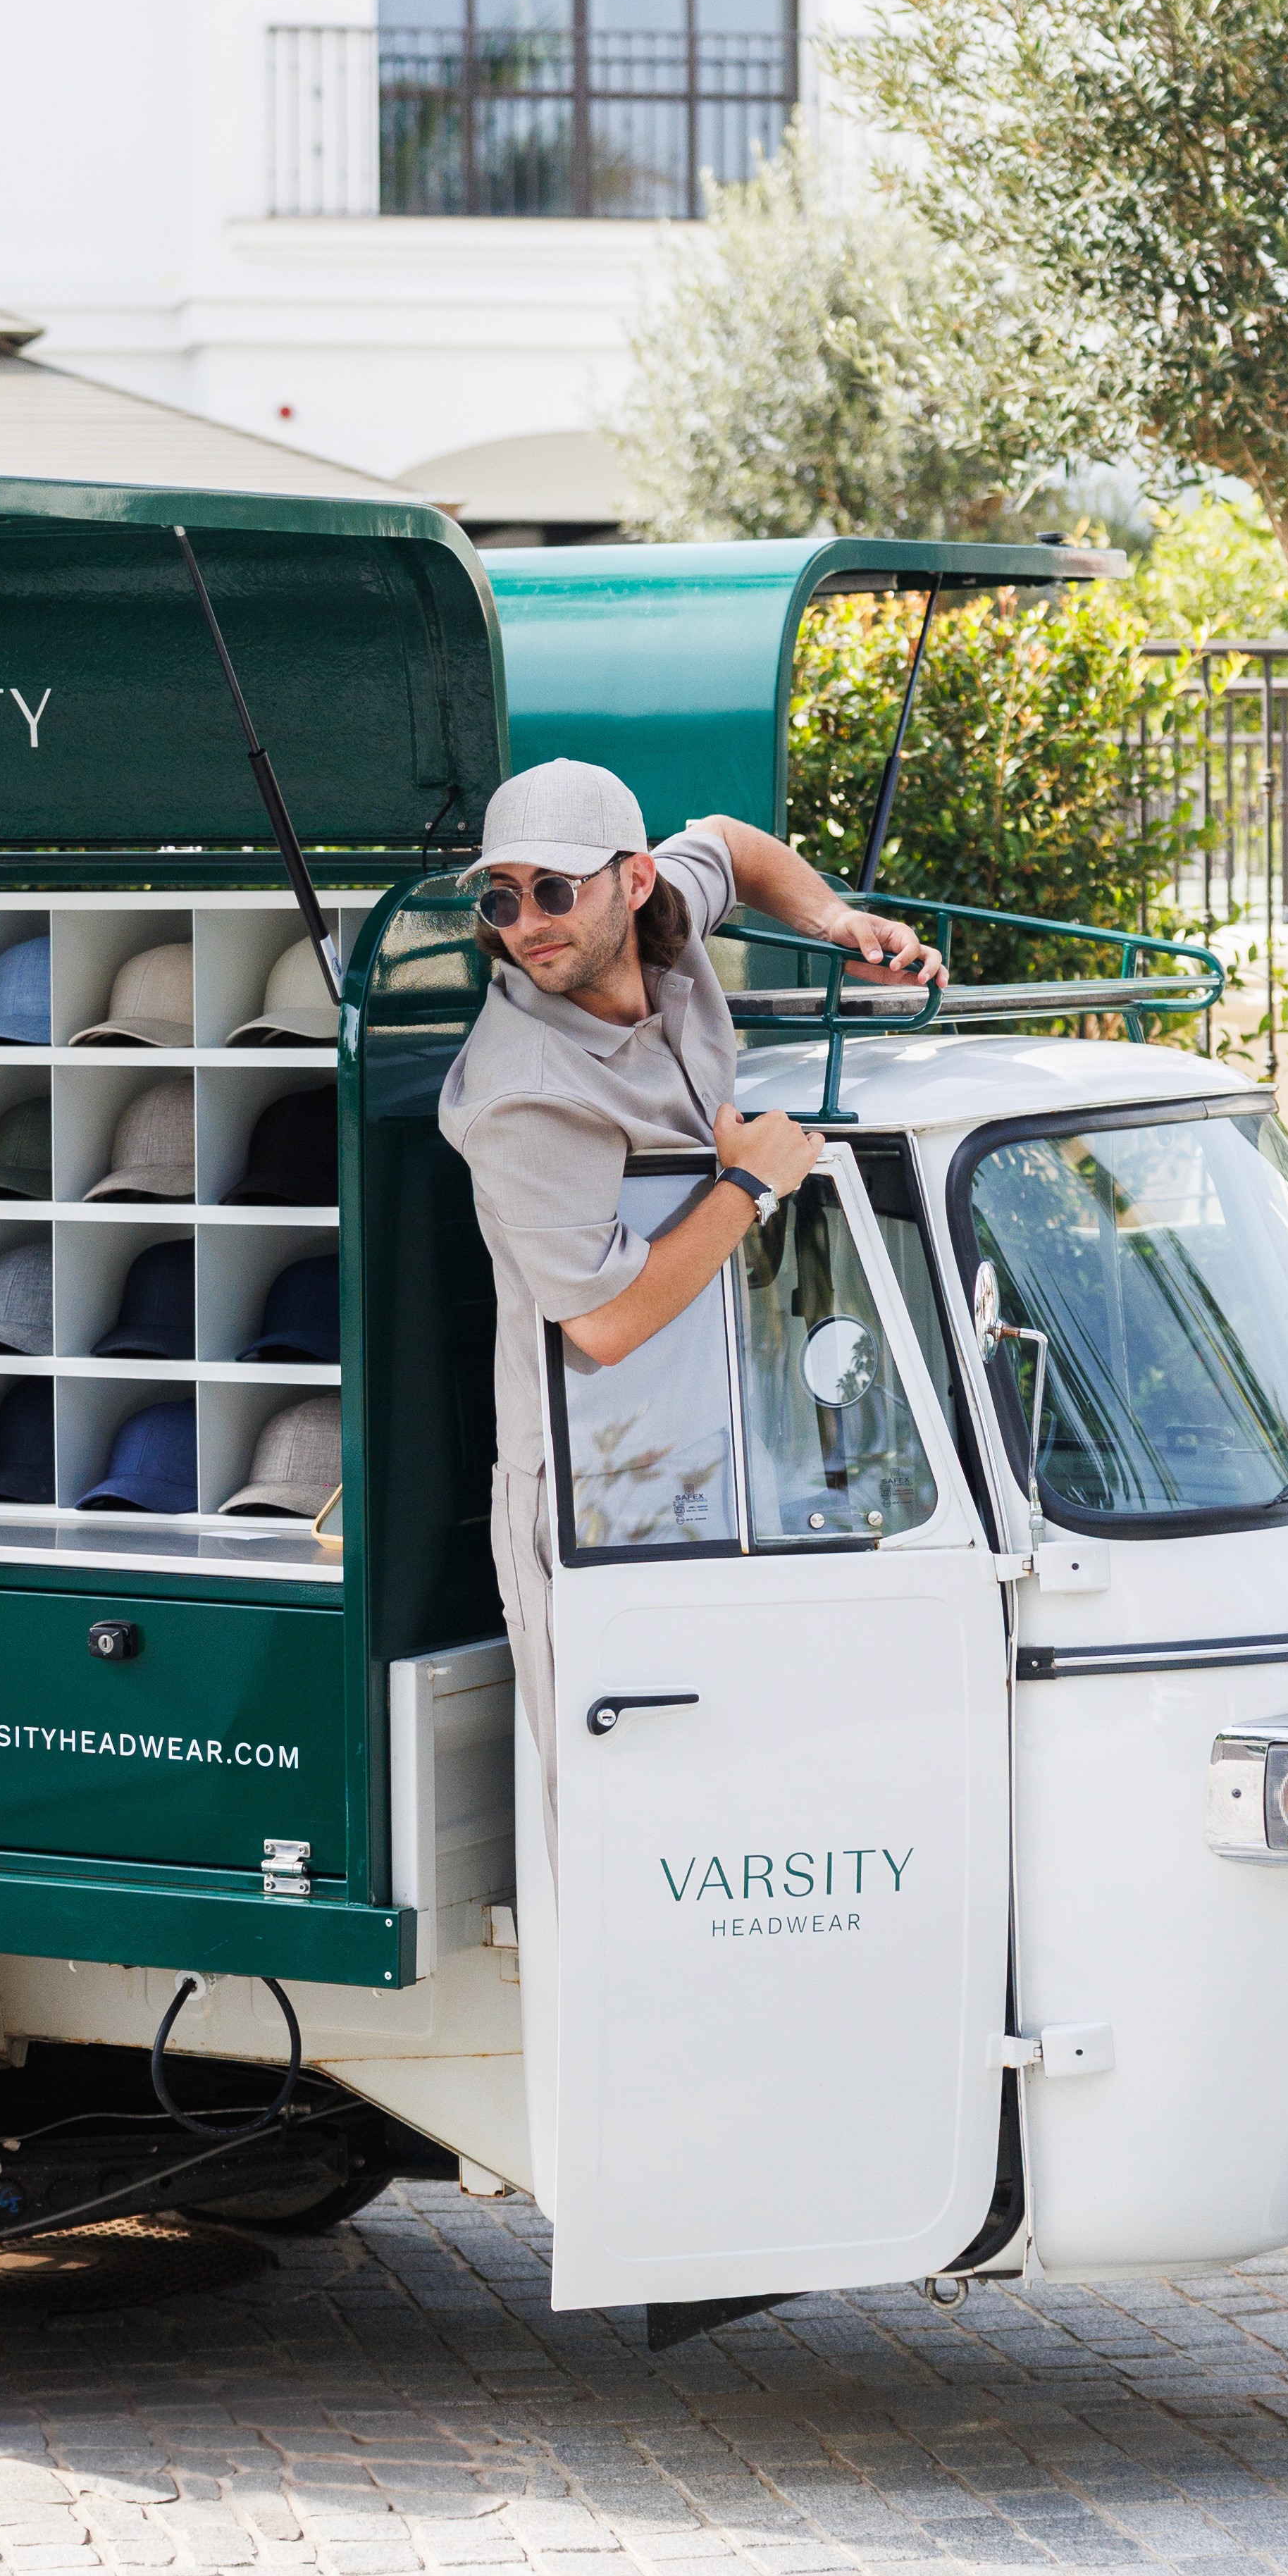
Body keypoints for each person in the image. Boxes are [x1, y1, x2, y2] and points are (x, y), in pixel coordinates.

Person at [437, 756, 945, 1815]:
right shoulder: (521, 1093)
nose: (528, 924)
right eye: (502, 899)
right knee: (629, 1825)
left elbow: (728, 842)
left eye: (553, 888)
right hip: (597, 1476)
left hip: (728, 1425)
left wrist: (837, 922)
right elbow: (603, 1323)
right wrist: (752, 1184)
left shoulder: (665, 913)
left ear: (633, 883)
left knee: (771, 1789)